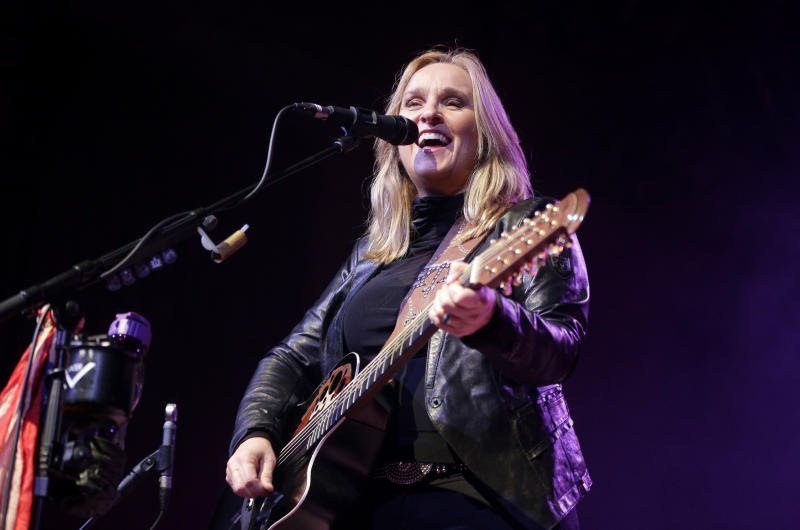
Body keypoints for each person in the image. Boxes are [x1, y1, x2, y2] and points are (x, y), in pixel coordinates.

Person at [223, 47, 591, 530]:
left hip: (474, 496)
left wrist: (493, 320)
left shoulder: (523, 225)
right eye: (413, 103)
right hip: (351, 504)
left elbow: (560, 350)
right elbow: (292, 357)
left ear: (486, 135)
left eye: (453, 102)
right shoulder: (372, 255)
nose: (429, 113)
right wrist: (255, 432)